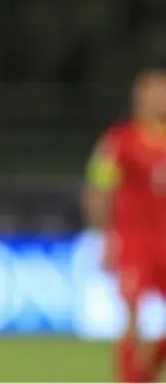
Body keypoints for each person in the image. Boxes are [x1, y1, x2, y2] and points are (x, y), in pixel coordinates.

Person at [83, 65, 166, 382]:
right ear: (139, 99)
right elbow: (99, 187)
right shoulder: (120, 141)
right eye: (153, 93)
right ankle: (133, 377)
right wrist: (102, 235)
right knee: (133, 318)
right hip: (135, 242)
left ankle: (149, 365)